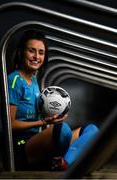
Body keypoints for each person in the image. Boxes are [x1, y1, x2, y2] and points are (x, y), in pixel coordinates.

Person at [7, 29, 99, 171]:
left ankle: (63, 162)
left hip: (40, 139)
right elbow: (10, 124)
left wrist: (52, 114)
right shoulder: (14, 80)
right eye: (32, 51)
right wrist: (43, 122)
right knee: (63, 131)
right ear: (21, 52)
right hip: (22, 146)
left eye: (41, 52)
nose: (36, 56)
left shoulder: (33, 80)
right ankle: (61, 160)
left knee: (92, 130)